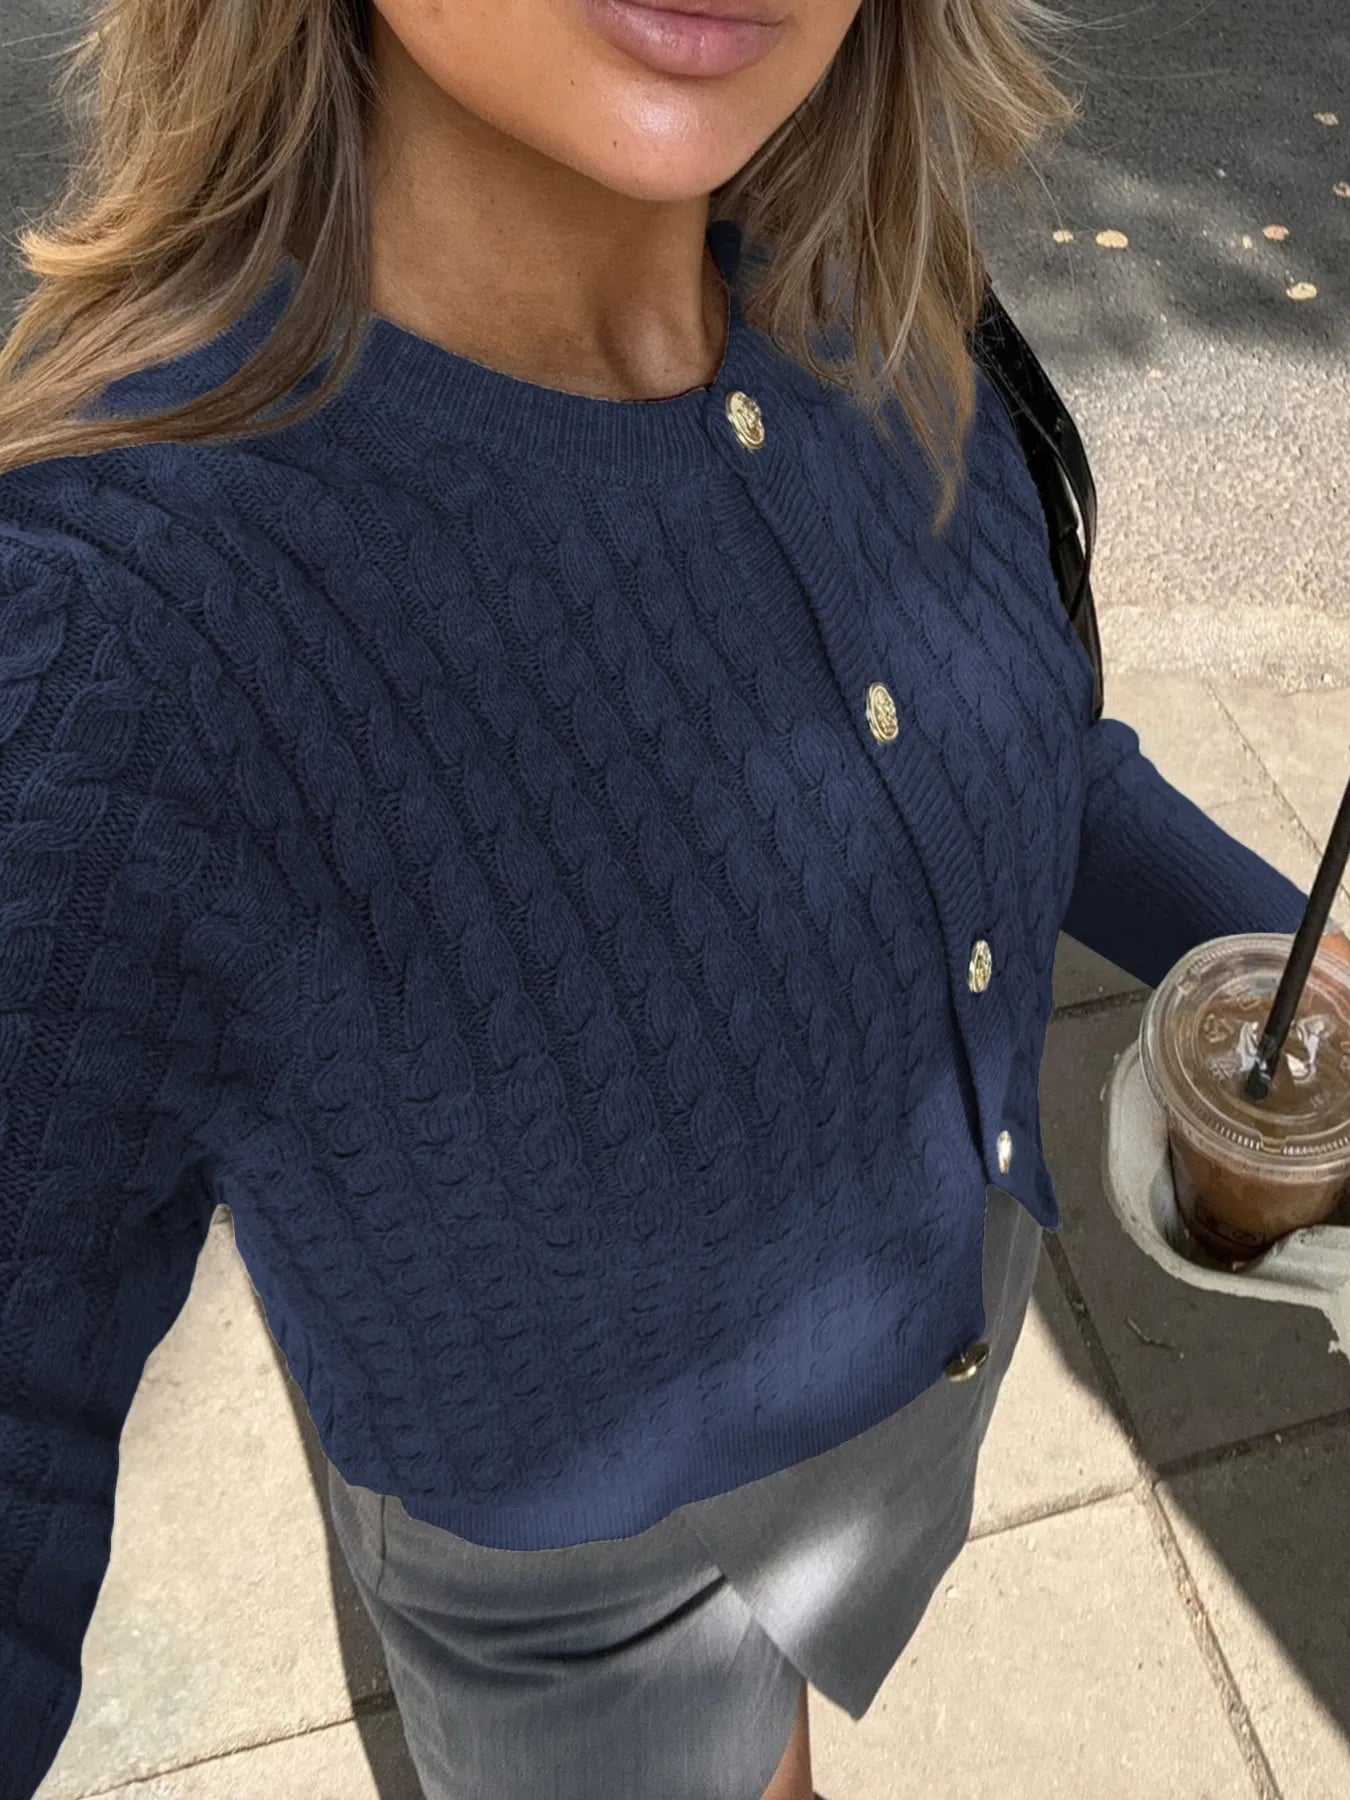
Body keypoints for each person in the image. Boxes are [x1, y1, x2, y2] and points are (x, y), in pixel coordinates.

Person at [0, 4, 1340, 1797]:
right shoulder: (109, 631)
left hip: (896, 1438)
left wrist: (1301, 960)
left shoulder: (873, 283)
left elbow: (1026, 740)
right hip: (580, 1601)